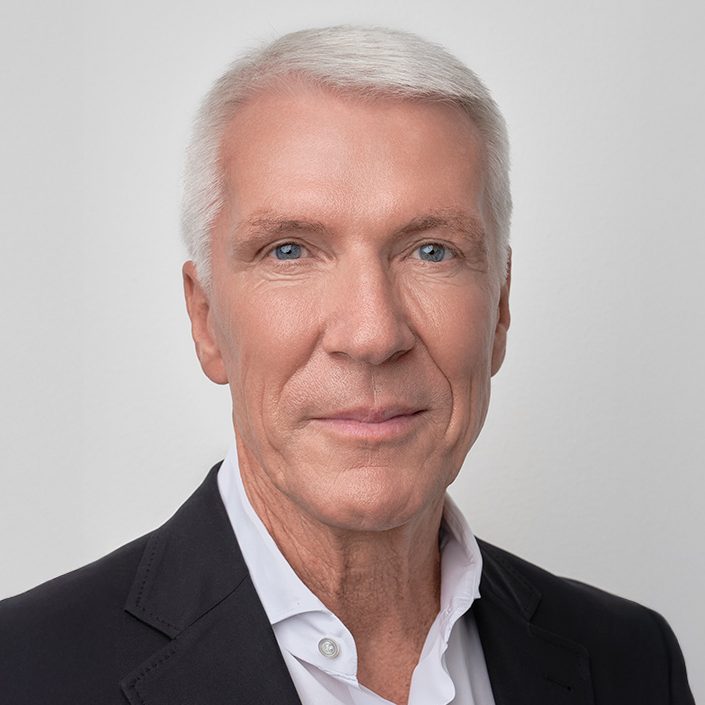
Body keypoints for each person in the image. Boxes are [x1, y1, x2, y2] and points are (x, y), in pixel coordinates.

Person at [0, 25, 694, 705]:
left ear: (500, 310)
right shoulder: (23, 672)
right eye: (290, 250)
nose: (371, 334)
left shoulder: (632, 661)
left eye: (431, 251)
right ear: (206, 320)